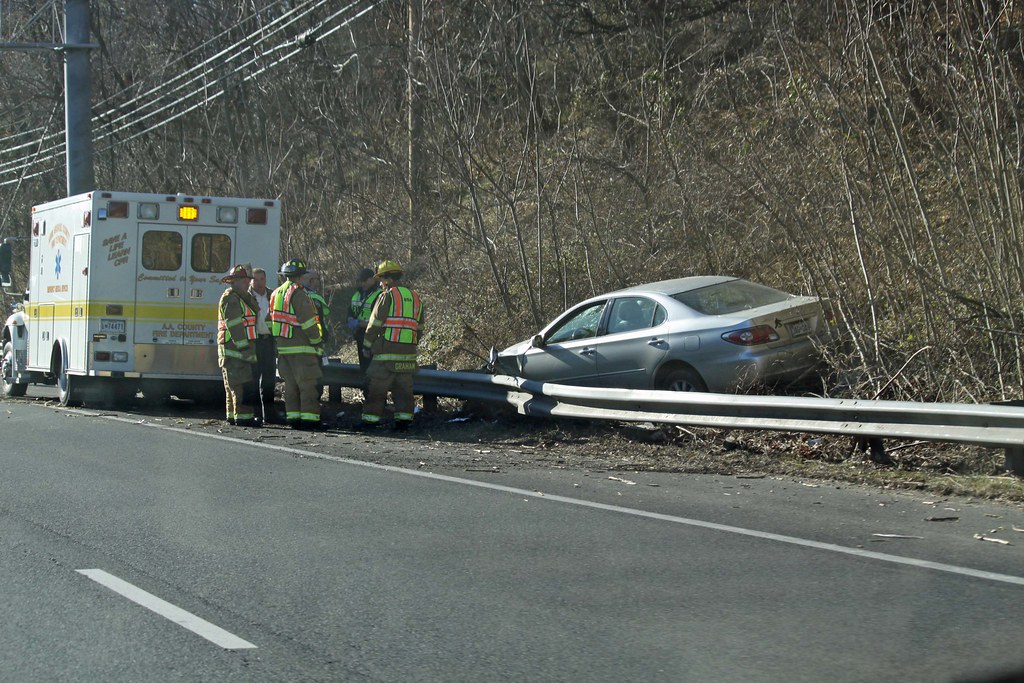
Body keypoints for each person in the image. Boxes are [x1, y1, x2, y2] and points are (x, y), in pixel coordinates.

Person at [360, 260, 425, 431]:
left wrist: (367, 345)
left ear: (387, 279)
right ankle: (403, 423)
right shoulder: (415, 297)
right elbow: (420, 328)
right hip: (408, 354)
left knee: (376, 389)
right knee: (404, 391)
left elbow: (374, 324)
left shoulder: (387, 296)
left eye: (381, 280)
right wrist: (411, 342)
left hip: (386, 353)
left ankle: (370, 422)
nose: (380, 284)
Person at [269, 259, 324, 430]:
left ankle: (293, 418)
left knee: (291, 386)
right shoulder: (298, 293)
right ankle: (310, 420)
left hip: (283, 349)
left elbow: (269, 321)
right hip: (302, 348)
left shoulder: (276, 293)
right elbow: (308, 322)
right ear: (300, 276)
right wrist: (317, 342)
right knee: (308, 385)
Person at [217, 263, 260, 427]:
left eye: (247, 280)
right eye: (243, 280)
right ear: (233, 281)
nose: (247, 283)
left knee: (233, 385)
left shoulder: (241, 297)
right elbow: (235, 326)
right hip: (236, 350)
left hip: (237, 350)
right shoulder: (231, 298)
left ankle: (233, 416)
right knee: (239, 385)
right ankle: (244, 418)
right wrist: (245, 348)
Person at [246, 267, 280, 424]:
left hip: (269, 341)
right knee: (253, 380)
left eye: (262, 279)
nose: (259, 283)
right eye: (256, 279)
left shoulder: (273, 295)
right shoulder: (246, 297)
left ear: (266, 280)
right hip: (254, 342)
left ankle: (270, 414)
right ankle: (257, 413)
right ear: (251, 281)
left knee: (269, 380)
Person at [347, 266, 381, 373]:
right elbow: (350, 311)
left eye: (364, 280)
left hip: (373, 337)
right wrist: (350, 319)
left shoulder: (379, 295)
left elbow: (378, 321)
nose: (362, 284)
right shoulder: (357, 294)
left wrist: (358, 323)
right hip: (360, 336)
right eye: (360, 281)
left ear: (372, 279)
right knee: (364, 368)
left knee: (372, 370)